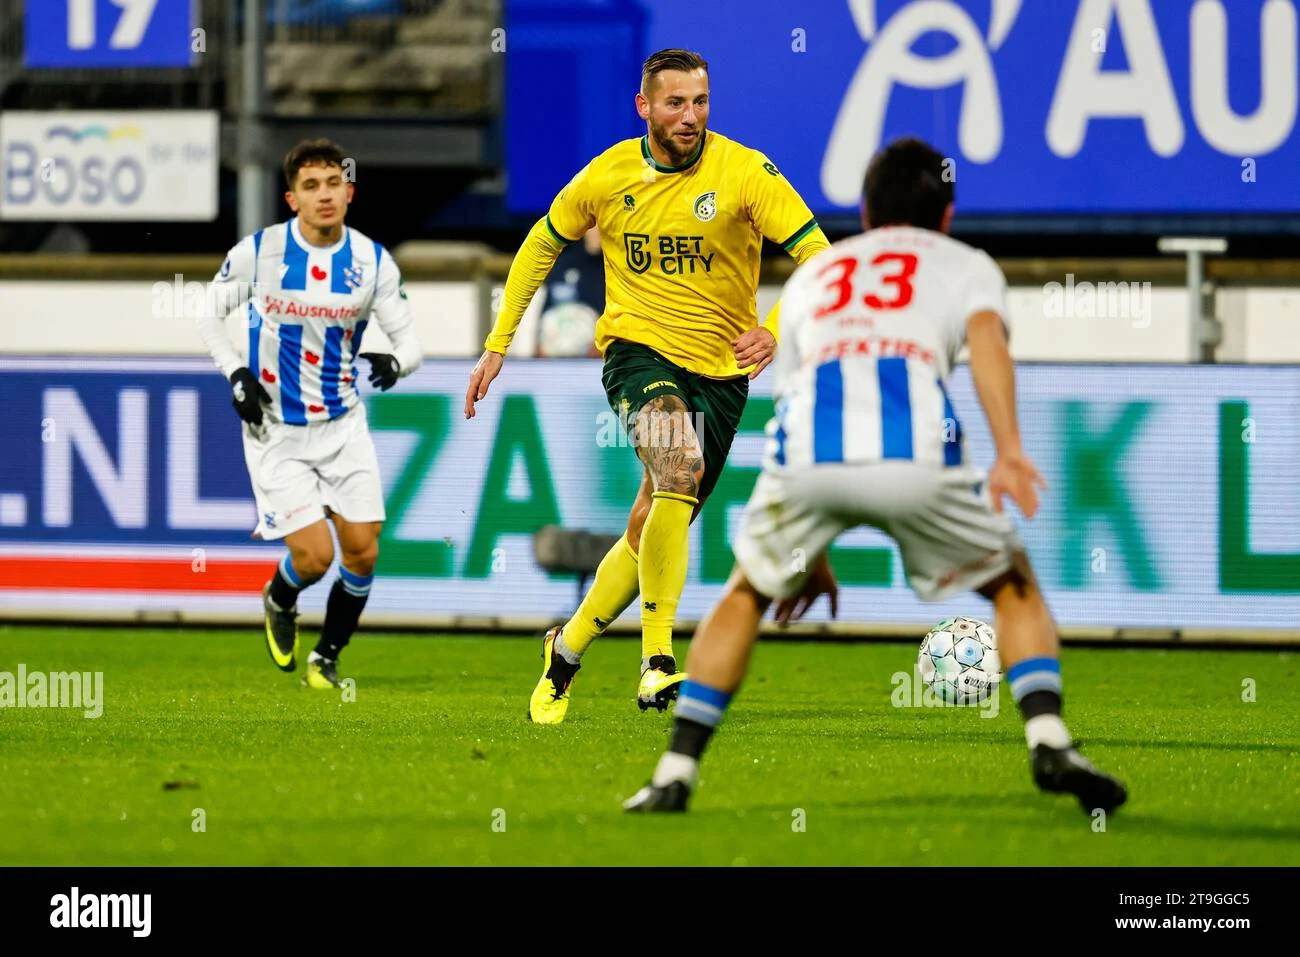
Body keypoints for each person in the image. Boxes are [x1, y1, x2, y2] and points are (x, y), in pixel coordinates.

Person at [623, 136, 1128, 817]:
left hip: (808, 459)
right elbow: (988, 347)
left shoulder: (815, 277)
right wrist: (1009, 449)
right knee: (1014, 586)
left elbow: (792, 397)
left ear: (864, 213)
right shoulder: (966, 264)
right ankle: (1049, 739)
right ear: (946, 215)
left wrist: (810, 549)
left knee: (744, 594)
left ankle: (674, 773)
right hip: (917, 453)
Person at [464, 49, 831, 724]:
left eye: (700, 102)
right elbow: (541, 243)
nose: (690, 116)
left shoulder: (746, 172)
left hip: (722, 375)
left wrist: (776, 329)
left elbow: (819, 257)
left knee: (653, 522)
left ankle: (565, 649)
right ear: (644, 107)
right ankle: (657, 660)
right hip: (637, 354)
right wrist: (498, 343)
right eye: (675, 103)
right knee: (679, 464)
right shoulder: (608, 175)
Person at [195, 138, 423, 690]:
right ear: (292, 199)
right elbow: (208, 312)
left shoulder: (372, 261)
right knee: (316, 557)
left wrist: (396, 363)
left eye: (333, 184)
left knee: (363, 552)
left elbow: (411, 344)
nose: (324, 195)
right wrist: (236, 373)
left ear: (349, 192)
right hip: (275, 430)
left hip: (343, 425)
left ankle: (325, 658)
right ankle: (280, 595)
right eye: (310, 186)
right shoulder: (261, 252)